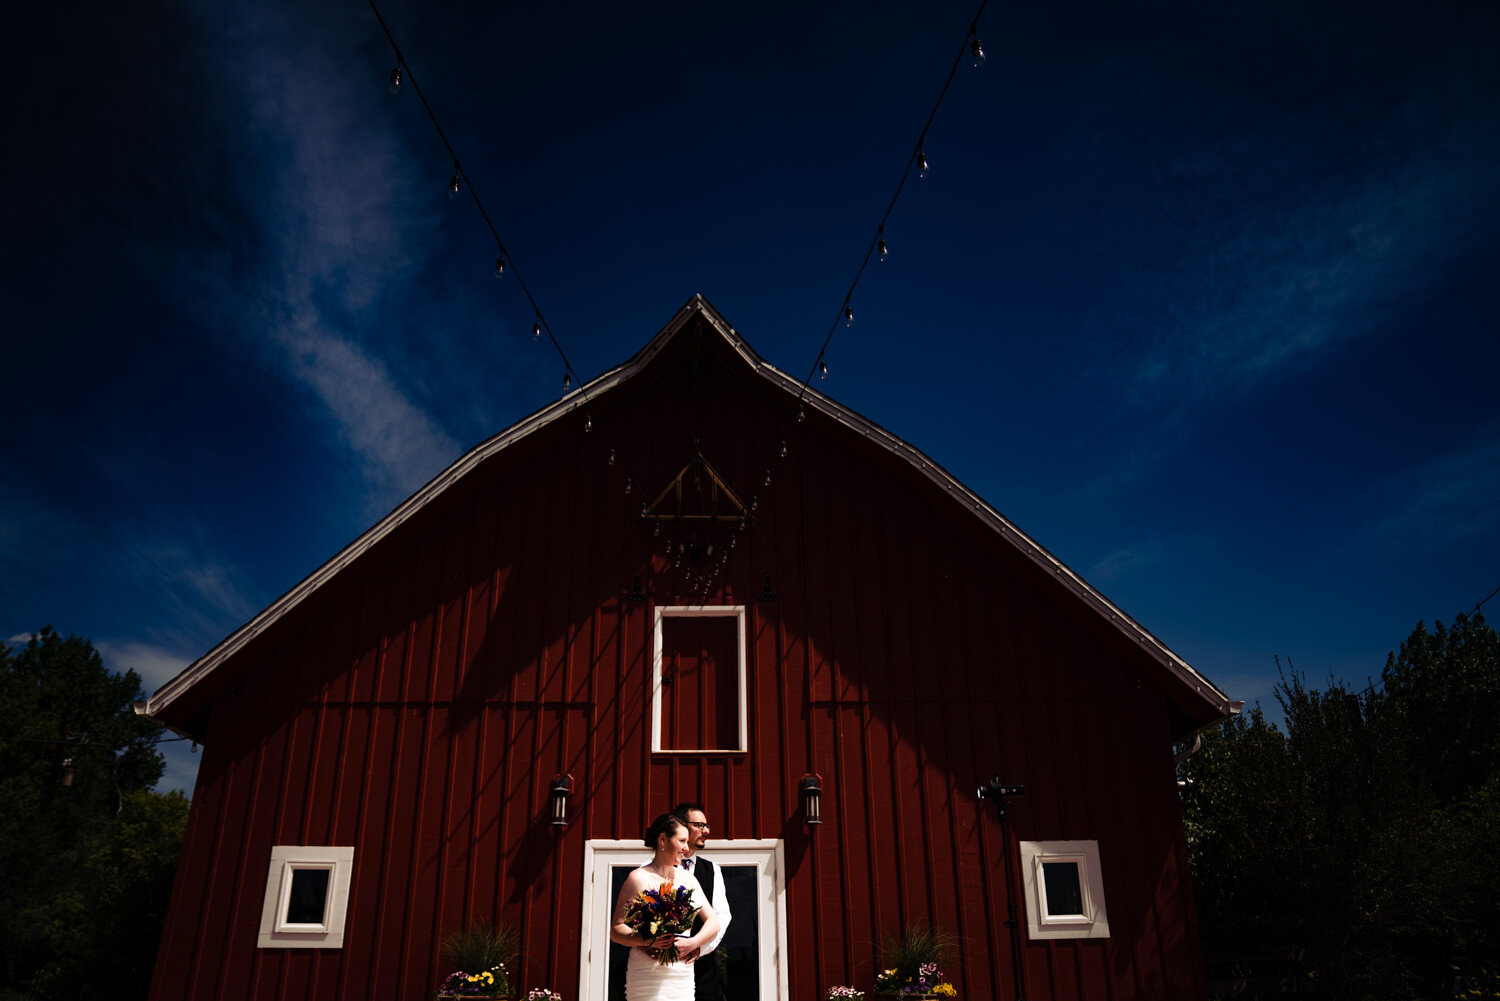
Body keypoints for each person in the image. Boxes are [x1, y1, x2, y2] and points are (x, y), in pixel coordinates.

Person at [611, 813, 720, 1001]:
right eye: (682, 841)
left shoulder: (688, 878)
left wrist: (693, 943)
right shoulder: (638, 878)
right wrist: (647, 940)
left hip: (681, 975)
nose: (686, 848)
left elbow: (713, 921)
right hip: (647, 974)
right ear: (663, 839)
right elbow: (616, 929)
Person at [671, 801, 732, 1001]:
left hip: (703, 970)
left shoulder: (712, 870)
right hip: (662, 966)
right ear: (680, 826)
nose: (705, 831)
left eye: (707, 826)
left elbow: (722, 917)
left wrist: (699, 948)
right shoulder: (649, 869)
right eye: (699, 825)